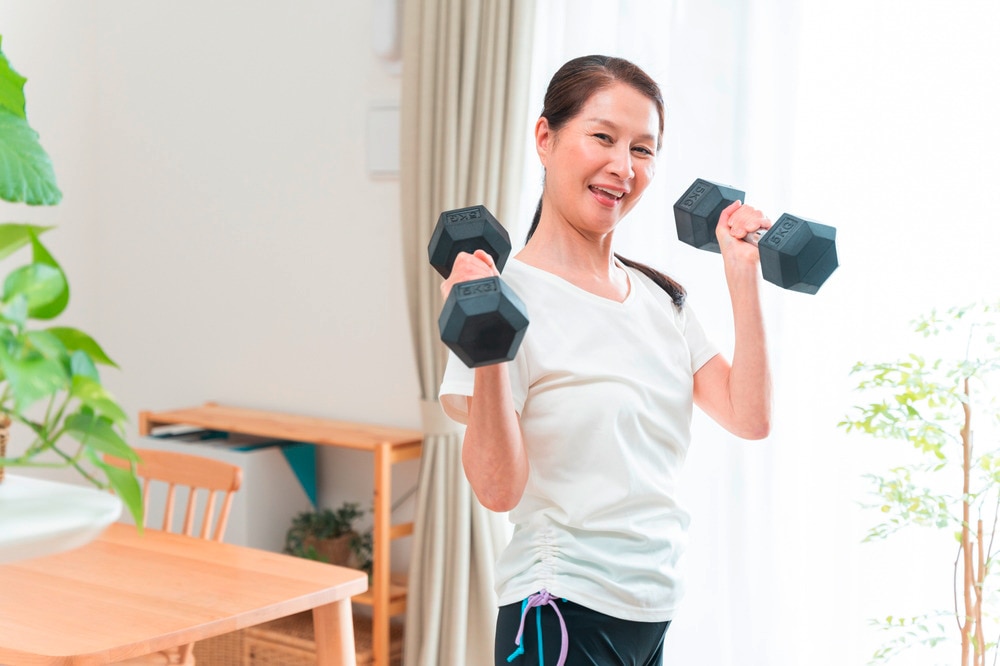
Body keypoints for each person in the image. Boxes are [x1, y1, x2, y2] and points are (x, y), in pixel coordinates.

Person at [437, 55, 772, 666]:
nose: (622, 167)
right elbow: (496, 489)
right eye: (602, 137)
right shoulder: (499, 295)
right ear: (546, 137)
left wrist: (741, 274)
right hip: (561, 609)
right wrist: (486, 345)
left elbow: (749, 416)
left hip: (652, 605)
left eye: (644, 150)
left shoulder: (659, 298)